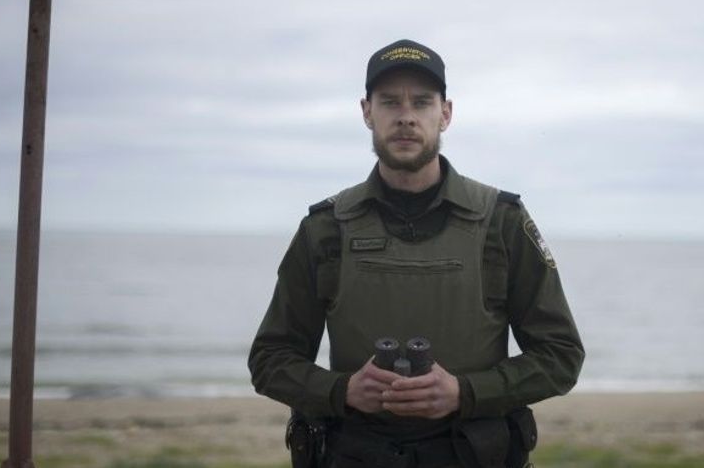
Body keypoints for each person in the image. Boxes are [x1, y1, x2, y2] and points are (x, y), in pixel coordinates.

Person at [249, 39, 584, 468]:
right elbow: (270, 360)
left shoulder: (501, 221)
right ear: (367, 111)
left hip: (470, 453)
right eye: (389, 101)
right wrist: (343, 391)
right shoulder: (326, 228)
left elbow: (561, 355)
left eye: (422, 102)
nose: (406, 115)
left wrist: (465, 392)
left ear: (445, 114)